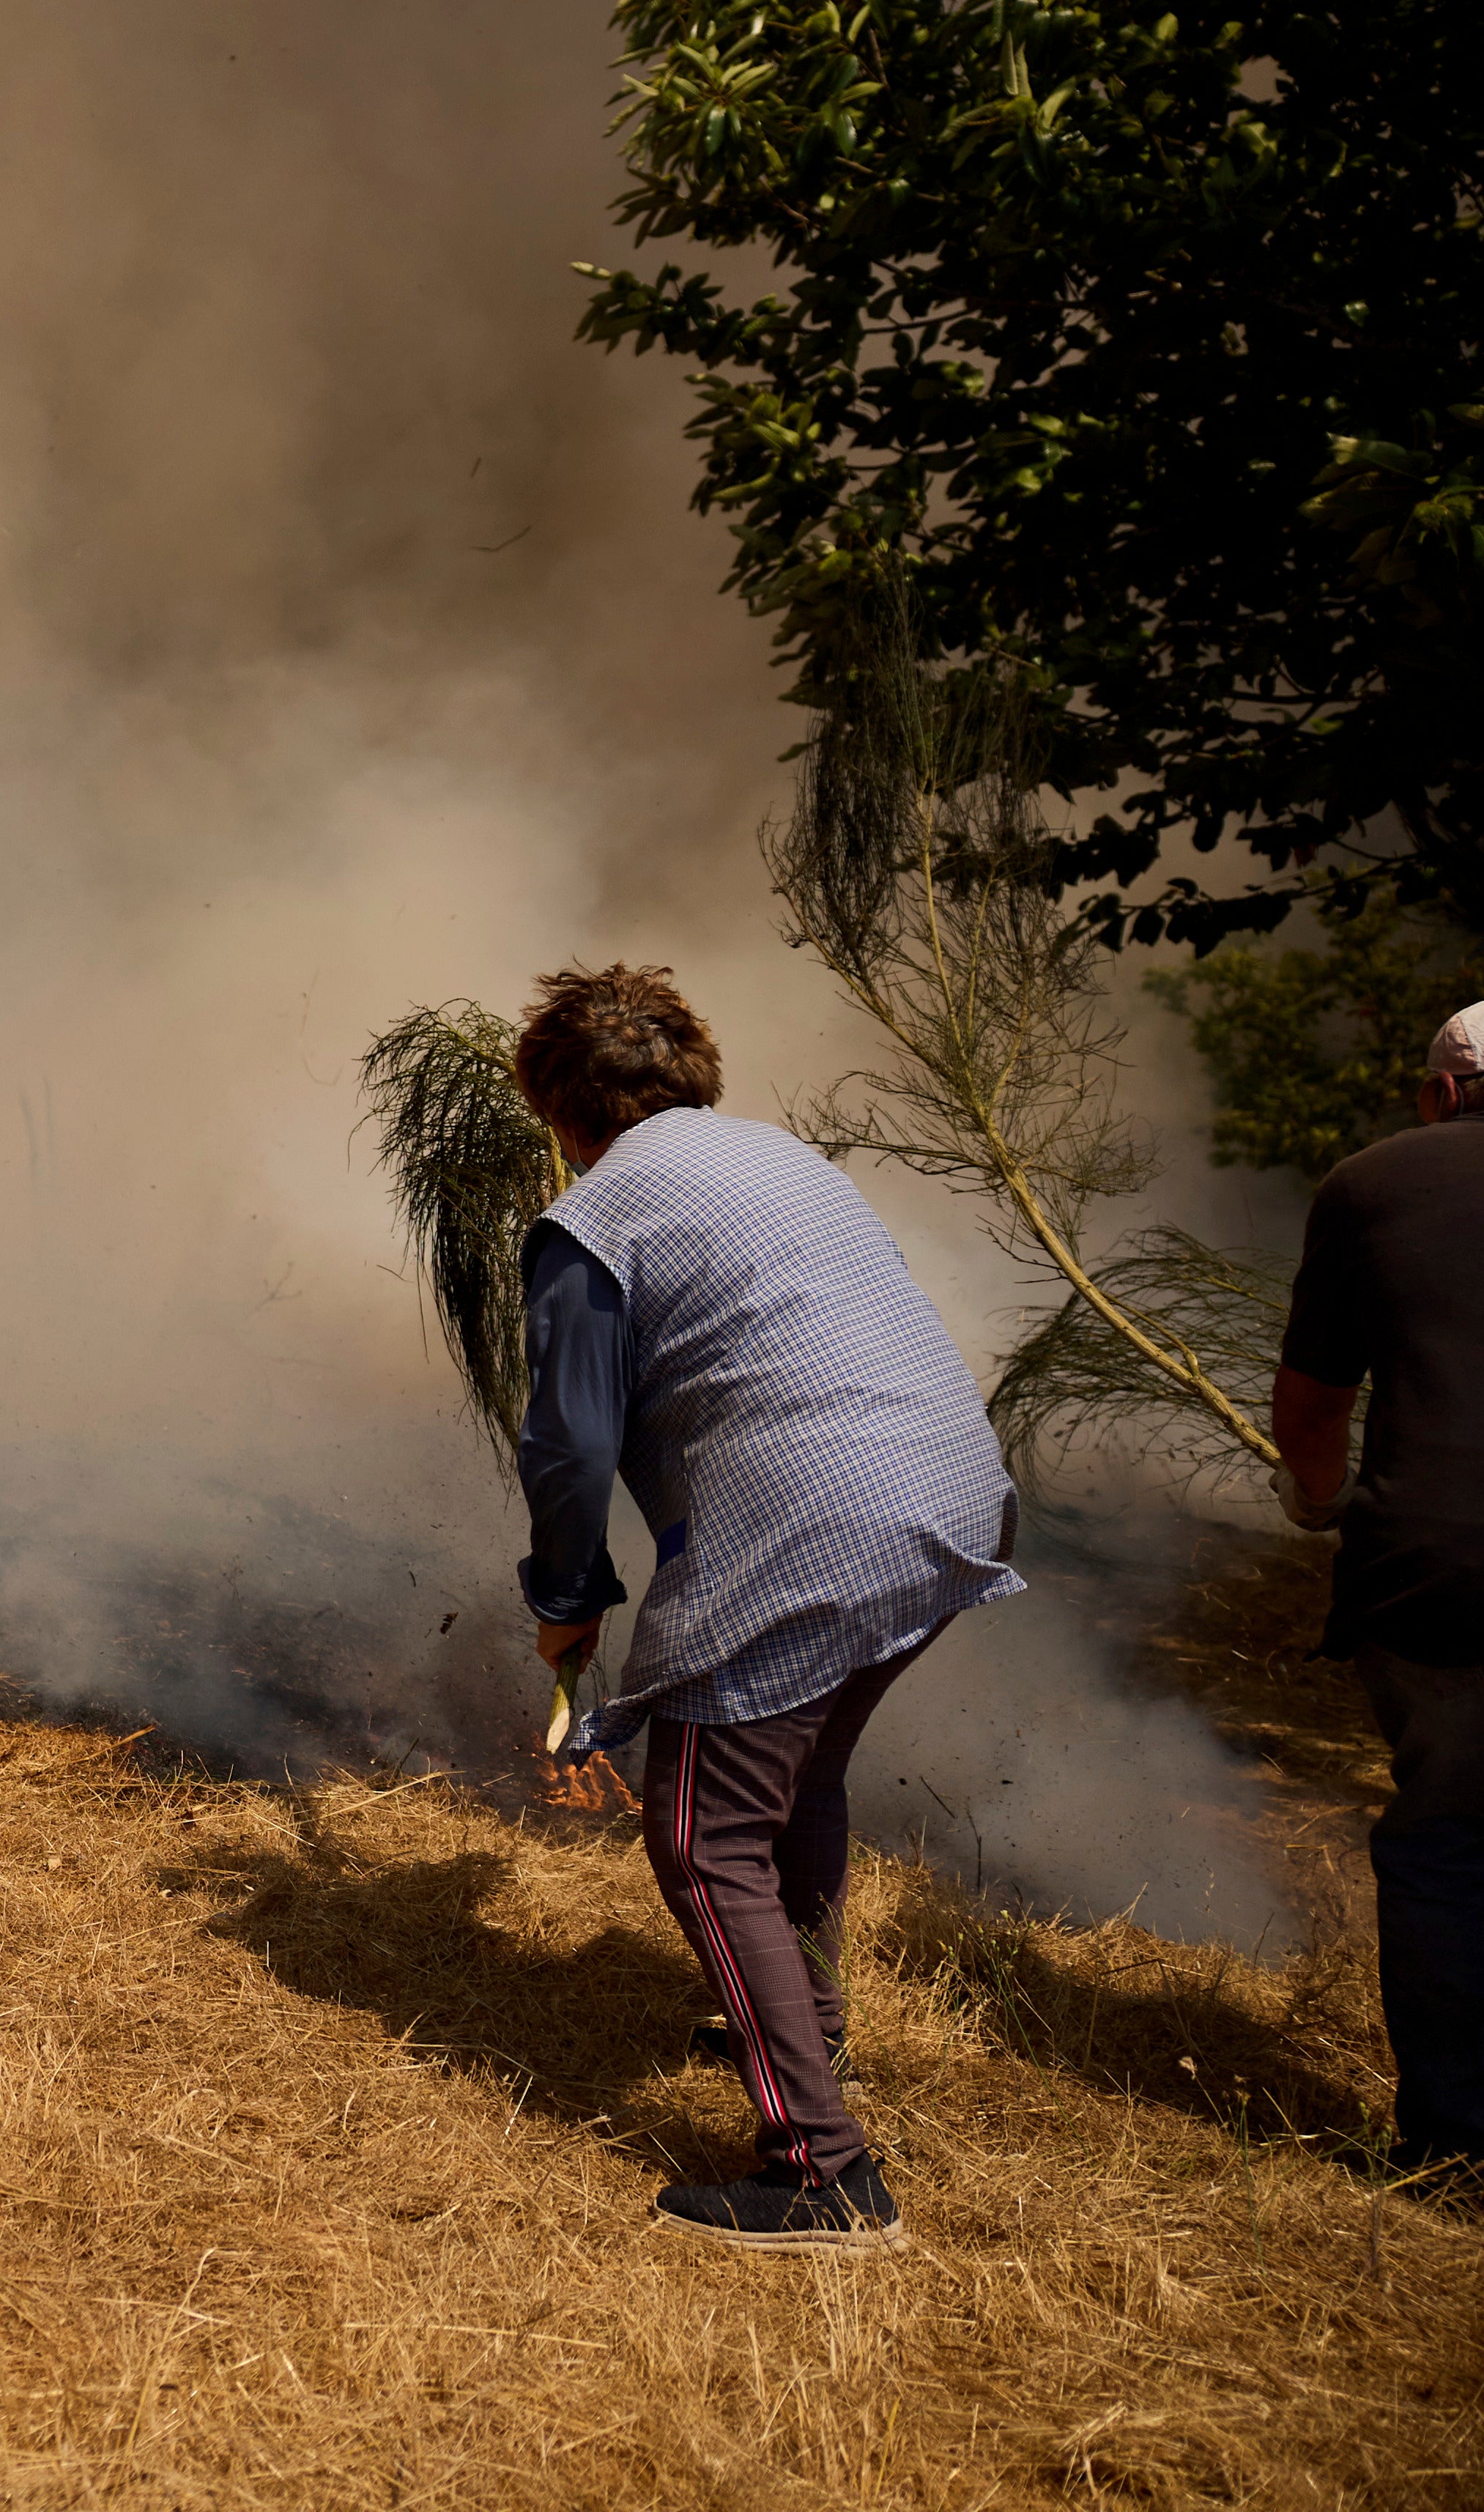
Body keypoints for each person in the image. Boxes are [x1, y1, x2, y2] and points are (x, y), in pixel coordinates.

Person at [510, 962, 1019, 2256]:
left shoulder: (595, 1215)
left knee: (697, 1834)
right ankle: (807, 2016)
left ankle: (821, 2174)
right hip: (957, 1492)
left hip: (823, 1523)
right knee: (794, 1775)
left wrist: (568, 1601)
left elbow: (570, 1444)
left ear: (561, 1110)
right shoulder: (782, 1161)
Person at [1269, 998, 1484, 2182]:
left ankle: (1458, 2145)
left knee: (1452, 1840)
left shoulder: (1375, 1185)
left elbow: (1310, 1410)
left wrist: (1319, 1504)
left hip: (1437, 1569)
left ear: (1443, 1092)